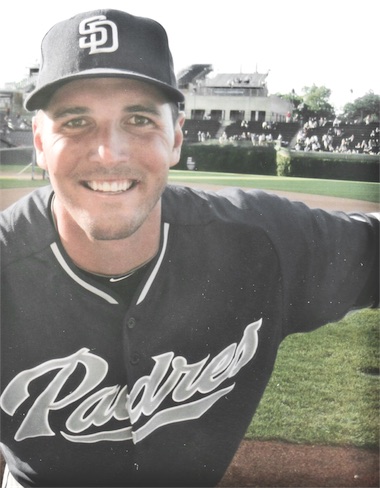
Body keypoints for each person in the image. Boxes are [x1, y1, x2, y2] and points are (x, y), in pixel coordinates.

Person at [0, 9, 378, 488]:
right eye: (76, 121)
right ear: (39, 142)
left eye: (138, 119)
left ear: (176, 138)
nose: (109, 152)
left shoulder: (264, 240)